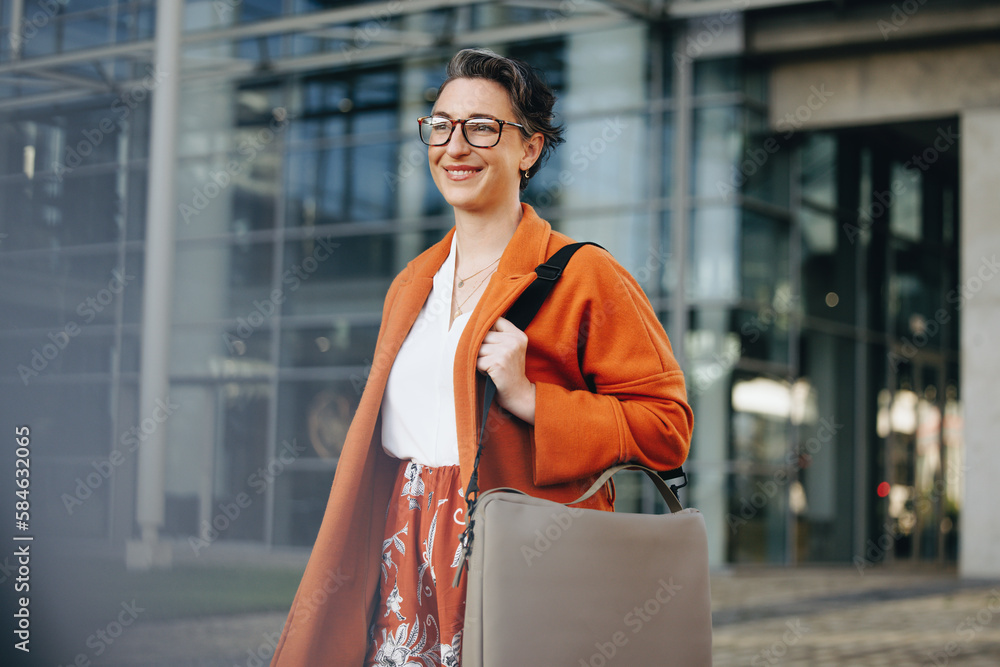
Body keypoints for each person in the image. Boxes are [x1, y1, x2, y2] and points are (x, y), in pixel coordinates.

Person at [271, 47, 693, 667]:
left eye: (482, 127)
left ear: (529, 149)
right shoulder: (413, 284)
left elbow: (668, 427)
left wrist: (532, 400)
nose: (455, 145)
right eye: (441, 125)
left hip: (520, 562)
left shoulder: (585, 275)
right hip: (406, 556)